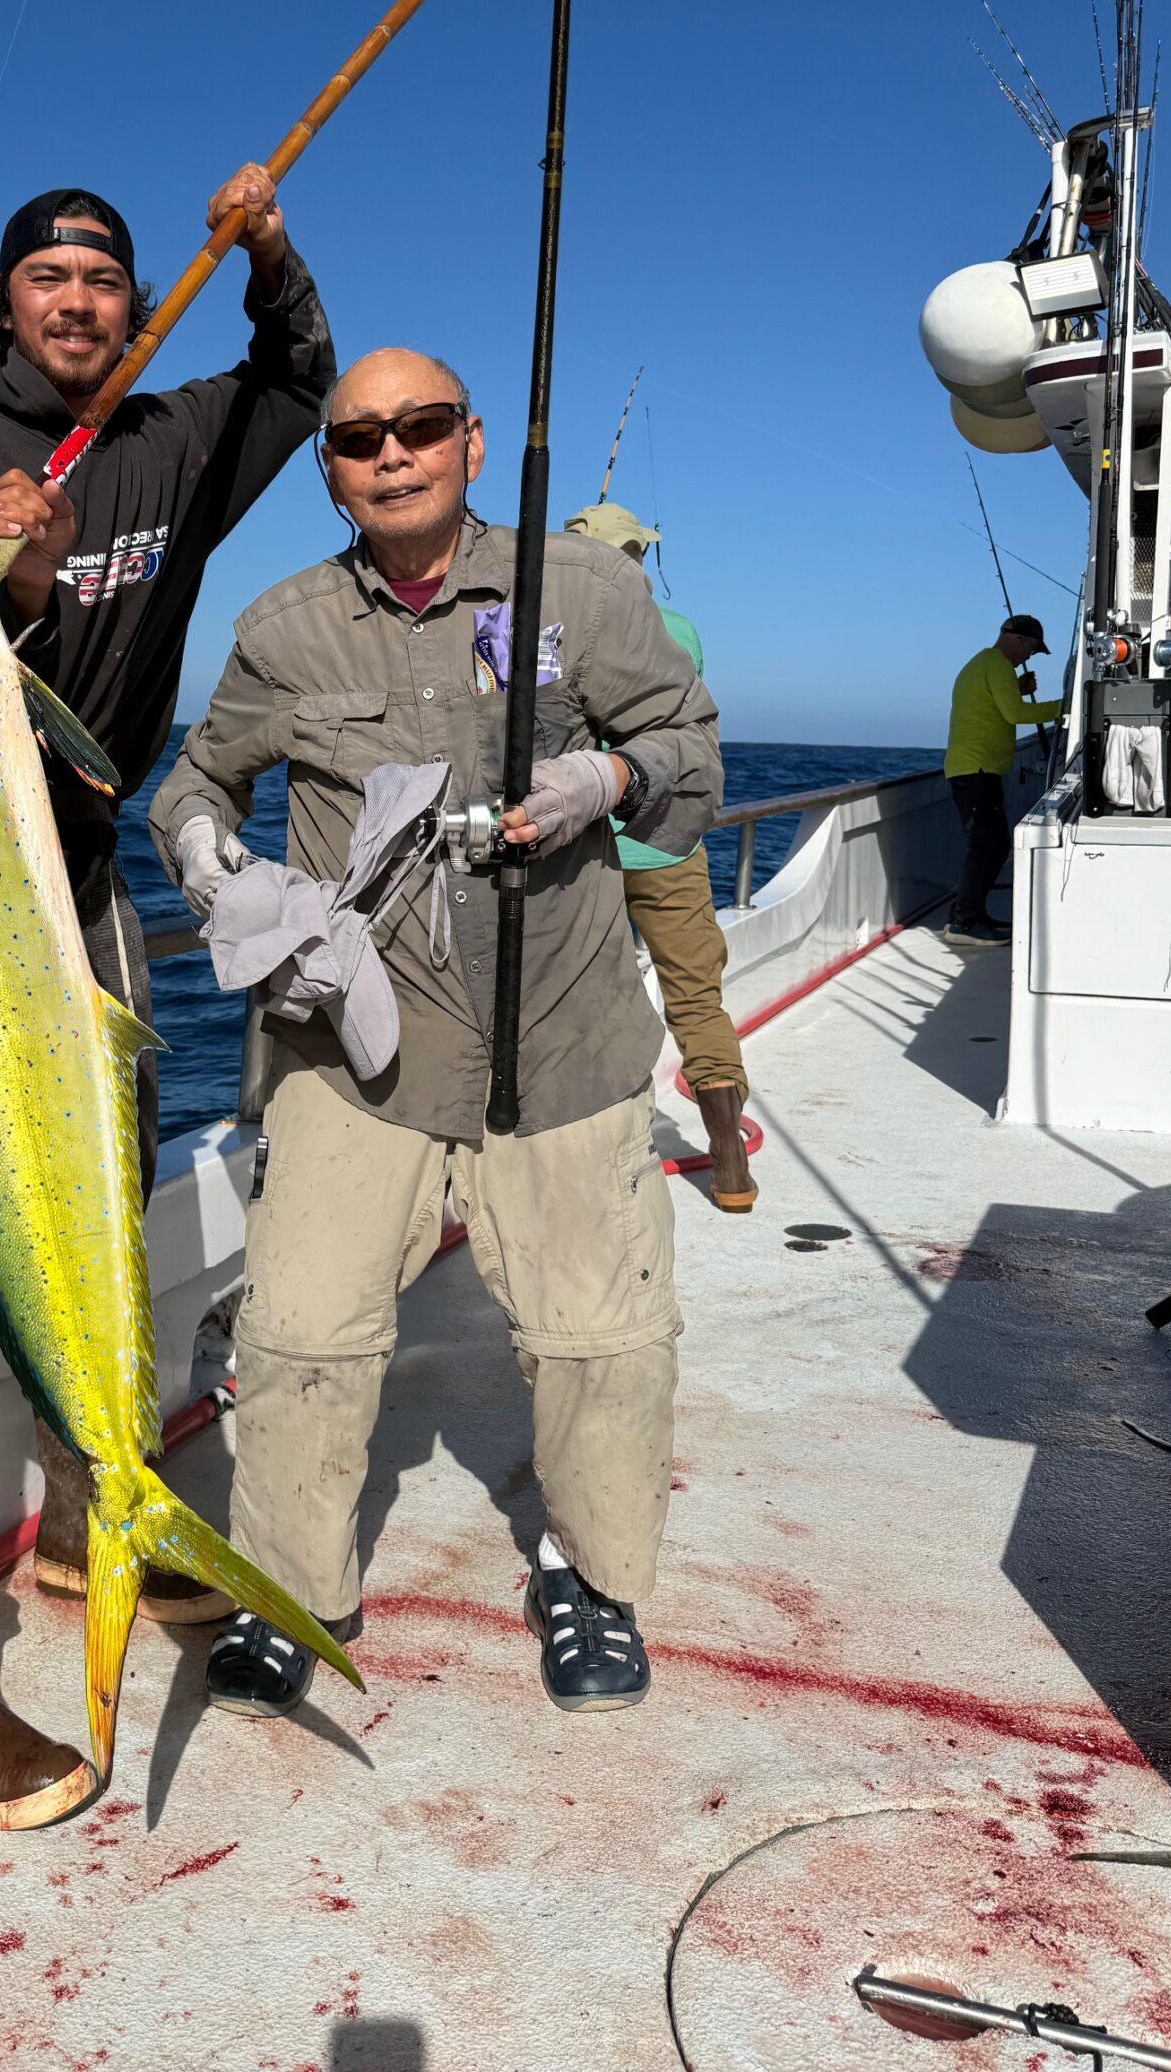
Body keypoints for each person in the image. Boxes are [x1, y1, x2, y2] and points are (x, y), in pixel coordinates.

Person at [0, 167, 335, 1829]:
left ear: (138, 305)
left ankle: (79, 1517)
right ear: (8, 307)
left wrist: (266, 251)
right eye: (46, 279)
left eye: (102, 281)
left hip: (91, 860)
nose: (74, 301)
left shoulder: (182, 439)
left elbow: (300, 380)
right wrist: (20, 588)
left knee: (107, 1191)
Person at [149, 348, 721, 1723]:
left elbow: (689, 744)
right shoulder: (285, 625)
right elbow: (196, 780)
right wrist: (211, 866)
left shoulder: (580, 590)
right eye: (358, 439)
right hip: (358, 1055)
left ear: (471, 443)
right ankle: (298, 1588)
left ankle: (590, 1581)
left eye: (420, 428)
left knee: (601, 1343)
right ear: (332, 472)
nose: (391, 453)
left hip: (565, 1040)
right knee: (297, 1337)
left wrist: (609, 777)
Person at [561, 502, 755, 1212]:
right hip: (669, 842)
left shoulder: (532, 630)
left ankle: (586, 1164)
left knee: (580, 1000)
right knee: (697, 998)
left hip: (578, 850)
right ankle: (730, 1161)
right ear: (637, 556)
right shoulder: (678, 630)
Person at [942, 615, 1061, 948]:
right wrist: (1069, 707)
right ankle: (964, 921)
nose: (1029, 658)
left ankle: (969, 915)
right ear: (1019, 640)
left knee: (990, 844)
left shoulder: (987, 664)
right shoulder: (996, 665)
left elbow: (997, 706)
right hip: (976, 770)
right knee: (987, 845)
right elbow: (1015, 714)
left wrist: (1018, 689)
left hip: (976, 769)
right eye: (1032, 650)